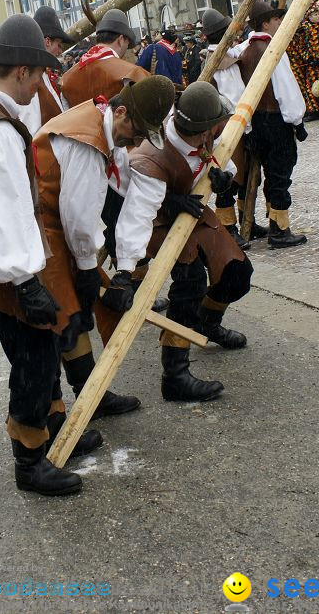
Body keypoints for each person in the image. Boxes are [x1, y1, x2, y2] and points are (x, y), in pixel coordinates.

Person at [0, 15, 91, 497]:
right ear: (24, 71)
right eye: (40, 74)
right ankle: (30, 462)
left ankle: (50, 435)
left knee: (39, 344)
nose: (41, 85)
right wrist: (25, 283)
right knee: (34, 349)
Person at [33, 75, 175, 416]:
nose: (137, 141)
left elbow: (125, 186)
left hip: (55, 223)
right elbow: (79, 217)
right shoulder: (89, 142)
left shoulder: (102, 122)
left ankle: (90, 394)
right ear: (122, 112)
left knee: (76, 314)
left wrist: (170, 203)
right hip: (40, 226)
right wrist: (87, 271)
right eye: (137, 131)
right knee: (62, 319)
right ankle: (53, 418)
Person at [105, 82, 254, 403]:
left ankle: (207, 324)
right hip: (159, 220)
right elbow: (136, 216)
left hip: (193, 209)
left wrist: (223, 174)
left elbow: (219, 157)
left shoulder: (203, 126)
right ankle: (175, 375)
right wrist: (125, 272)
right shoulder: (151, 158)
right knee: (189, 285)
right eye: (200, 133)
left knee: (237, 274)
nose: (206, 137)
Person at [238, 1, 308, 248]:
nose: (280, 23)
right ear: (265, 23)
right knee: (280, 173)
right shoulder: (272, 48)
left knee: (268, 172)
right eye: (276, 20)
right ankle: (280, 229)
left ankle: (265, 222)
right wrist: (297, 120)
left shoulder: (244, 49)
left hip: (255, 120)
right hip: (275, 119)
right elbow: (285, 89)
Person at [200, 7, 256, 248]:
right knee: (228, 180)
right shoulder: (213, 61)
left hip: (240, 124)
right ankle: (228, 228)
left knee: (244, 175)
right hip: (225, 127)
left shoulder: (229, 55)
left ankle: (246, 221)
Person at [61, 9, 148, 107]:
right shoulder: (132, 73)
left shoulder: (66, 80)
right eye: (127, 44)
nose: (126, 49)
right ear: (121, 40)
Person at [17, 6, 72, 136]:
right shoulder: (30, 79)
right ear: (47, 41)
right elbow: (32, 131)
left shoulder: (45, 75)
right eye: (58, 45)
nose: (60, 51)